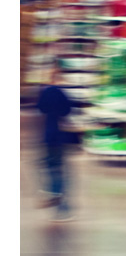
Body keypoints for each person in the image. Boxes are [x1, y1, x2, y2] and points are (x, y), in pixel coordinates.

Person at [36, 63, 74, 222]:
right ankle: (61, 206)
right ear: (59, 77)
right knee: (60, 171)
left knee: (51, 168)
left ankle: (51, 194)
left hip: (48, 135)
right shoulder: (61, 93)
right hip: (60, 136)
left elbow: (41, 109)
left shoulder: (44, 92)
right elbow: (67, 110)